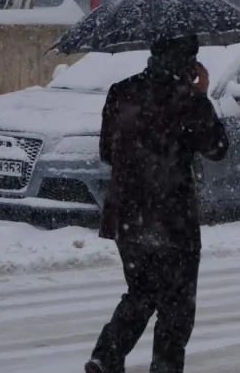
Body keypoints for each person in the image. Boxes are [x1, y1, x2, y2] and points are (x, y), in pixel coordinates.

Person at [85, 34, 229, 373]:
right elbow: (218, 148)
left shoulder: (121, 91)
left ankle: (105, 358)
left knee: (141, 292)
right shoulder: (188, 101)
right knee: (176, 305)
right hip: (172, 217)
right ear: (189, 62)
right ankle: (164, 368)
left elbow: (107, 152)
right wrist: (202, 96)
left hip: (126, 214)